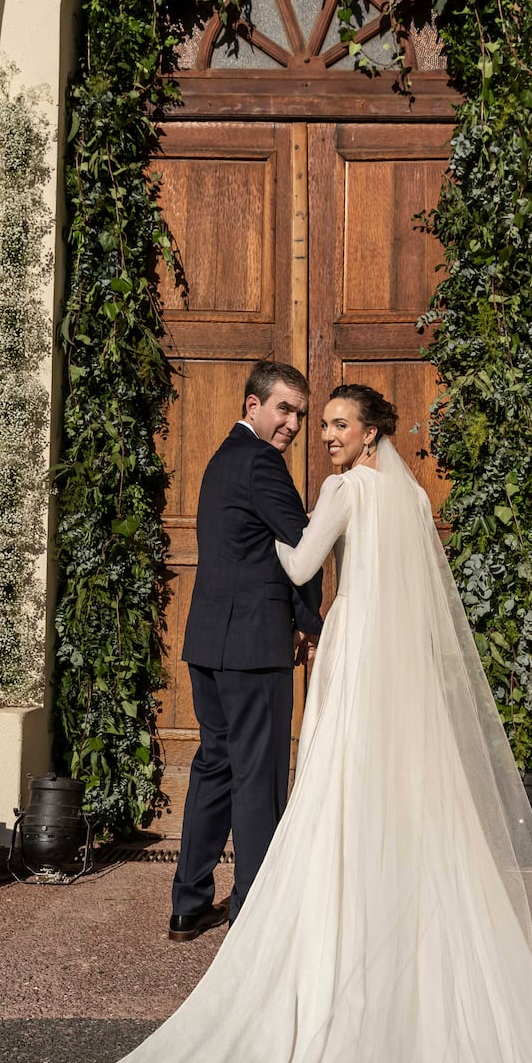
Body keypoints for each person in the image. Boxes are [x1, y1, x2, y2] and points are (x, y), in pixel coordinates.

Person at [81, 384, 532, 1063]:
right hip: (402, 658)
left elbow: (301, 564)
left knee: (337, 778)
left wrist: (258, 523)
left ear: (369, 434)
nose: (325, 434)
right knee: (408, 782)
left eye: (337, 424)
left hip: (356, 649)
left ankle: (325, 914)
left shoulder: (343, 489)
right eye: (320, 422)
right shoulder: (416, 497)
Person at [169, 360, 323, 941]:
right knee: (258, 777)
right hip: (252, 645)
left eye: (299, 414)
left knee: (215, 767)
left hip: (209, 641)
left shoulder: (221, 457)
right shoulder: (261, 461)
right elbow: (302, 544)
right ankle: (253, 910)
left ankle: (189, 902)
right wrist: (308, 621)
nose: (292, 423)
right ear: (253, 405)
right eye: (284, 409)